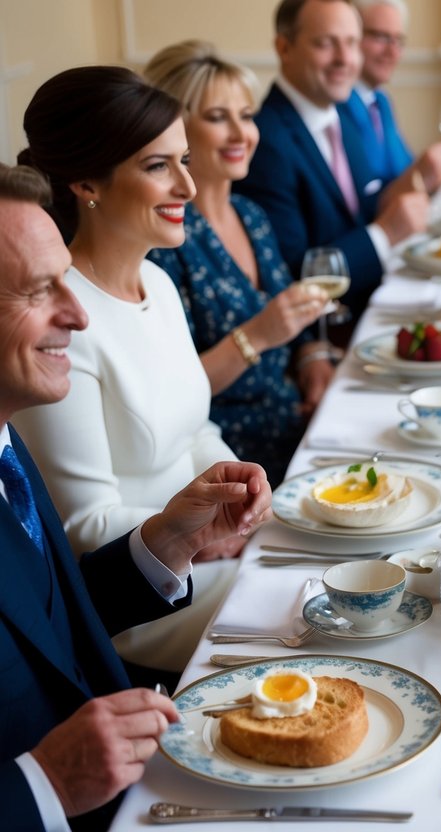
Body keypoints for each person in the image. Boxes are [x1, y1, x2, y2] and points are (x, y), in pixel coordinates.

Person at [0, 162, 271, 832]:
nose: (78, 313)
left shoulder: (7, 443)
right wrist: (41, 784)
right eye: (39, 291)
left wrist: (164, 546)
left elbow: (45, 625)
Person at [14, 66, 245, 675]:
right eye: (158, 166)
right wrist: (203, 531)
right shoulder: (59, 322)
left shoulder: (159, 285)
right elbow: (83, 525)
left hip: (204, 553)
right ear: (88, 181)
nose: (189, 188)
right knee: (316, 601)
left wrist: (234, 487)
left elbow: (192, 427)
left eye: (185, 160)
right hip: (139, 604)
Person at [144, 41, 333, 486]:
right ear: (175, 128)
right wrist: (255, 336)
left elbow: (291, 318)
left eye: (246, 116)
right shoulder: (163, 242)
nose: (240, 133)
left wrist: (311, 357)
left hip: (295, 429)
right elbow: (168, 395)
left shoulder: (251, 215)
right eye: (216, 117)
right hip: (229, 464)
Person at [234, 0, 433, 319]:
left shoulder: (342, 114)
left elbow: (360, 212)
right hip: (327, 329)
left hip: (375, 301)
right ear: (284, 48)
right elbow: (291, 274)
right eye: (325, 43)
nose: (344, 60)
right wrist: (385, 234)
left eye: (352, 43)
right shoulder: (265, 141)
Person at [343, 0, 441, 193]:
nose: (392, 51)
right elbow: (367, 197)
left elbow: (404, 166)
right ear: (352, 37)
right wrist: (422, 174)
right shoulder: (338, 106)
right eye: (381, 37)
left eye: (398, 40)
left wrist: (433, 171)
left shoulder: (381, 101)